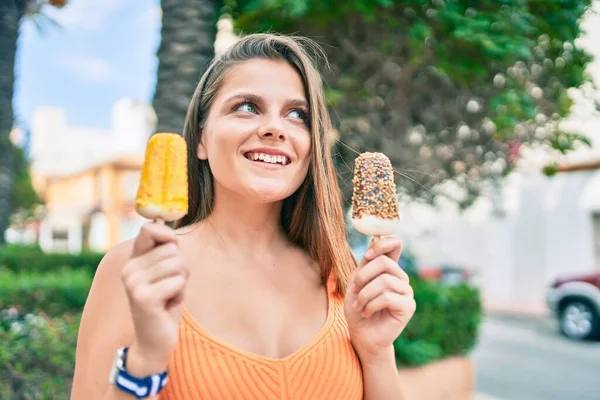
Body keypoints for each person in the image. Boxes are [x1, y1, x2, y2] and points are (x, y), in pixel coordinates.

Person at [71, 33, 416, 400]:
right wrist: (145, 359)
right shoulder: (137, 270)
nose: (274, 128)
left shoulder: (340, 272)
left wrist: (378, 353)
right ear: (201, 139)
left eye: (297, 115)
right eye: (247, 107)